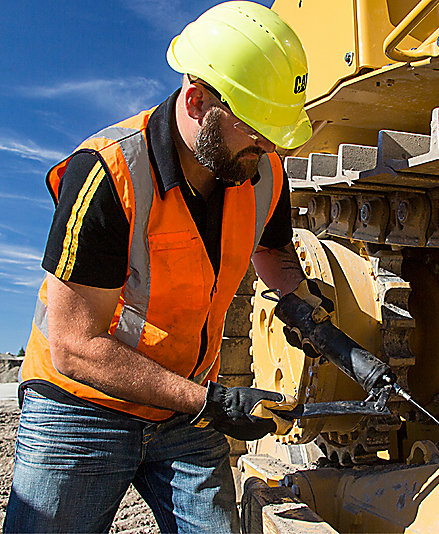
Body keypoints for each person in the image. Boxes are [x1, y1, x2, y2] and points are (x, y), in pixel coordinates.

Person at [4, 2, 328, 532]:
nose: (270, 147)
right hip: (82, 407)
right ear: (197, 100)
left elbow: (272, 253)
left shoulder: (260, 170)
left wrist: (302, 305)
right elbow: (73, 344)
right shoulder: (109, 174)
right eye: (256, 128)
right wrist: (214, 401)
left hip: (182, 407)